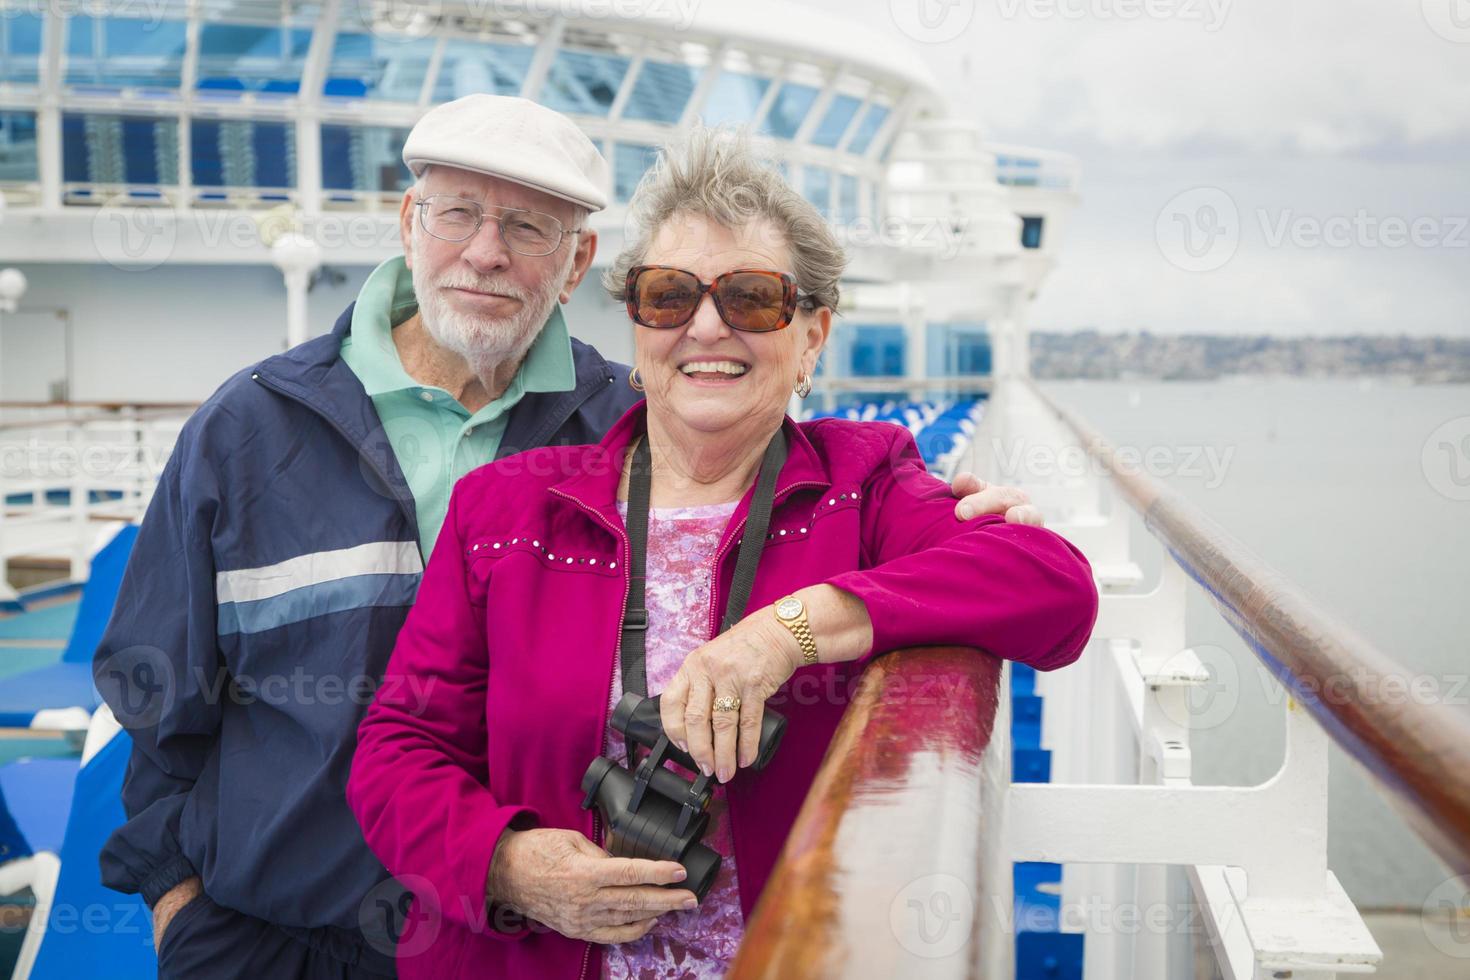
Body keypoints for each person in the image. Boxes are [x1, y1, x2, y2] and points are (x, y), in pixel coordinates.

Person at [92, 97, 1042, 980]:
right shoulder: (251, 429)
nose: (487, 254)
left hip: (493, 937)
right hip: (275, 933)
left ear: (579, 261)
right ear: (409, 225)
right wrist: (178, 906)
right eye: (458, 213)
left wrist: (828, 608)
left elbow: (1034, 580)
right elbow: (158, 699)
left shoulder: (632, 424)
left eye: (529, 228)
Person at [347, 129, 1098, 980]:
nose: (706, 325)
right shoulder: (511, 506)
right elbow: (397, 750)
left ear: (812, 335)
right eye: (669, 295)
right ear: (636, 325)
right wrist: (508, 864)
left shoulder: (863, 479)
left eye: (751, 297)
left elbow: (1055, 589)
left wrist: (790, 630)